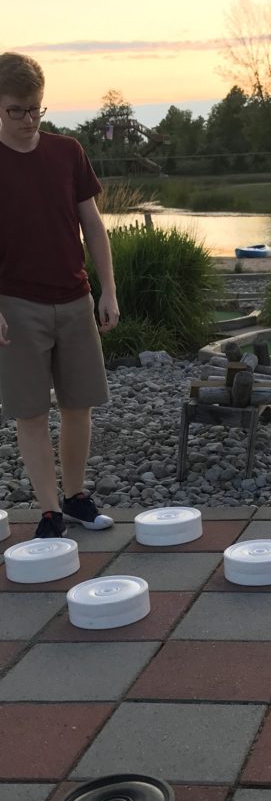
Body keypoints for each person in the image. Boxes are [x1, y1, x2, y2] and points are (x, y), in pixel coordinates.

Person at [0, 52, 119, 537]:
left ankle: (74, 498)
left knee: (78, 406)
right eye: (17, 111)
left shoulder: (68, 152)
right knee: (30, 412)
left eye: (36, 110)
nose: (29, 120)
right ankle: (49, 512)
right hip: (16, 303)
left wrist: (107, 288)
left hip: (74, 297)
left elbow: (93, 224)